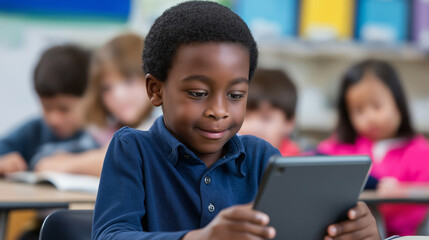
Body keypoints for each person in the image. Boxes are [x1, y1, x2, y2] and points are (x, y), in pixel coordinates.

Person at [92, 2, 381, 240]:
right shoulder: (133, 150)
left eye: (235, 95)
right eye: (198, 93)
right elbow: (110, 236)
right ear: (156, 90)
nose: (219, 110)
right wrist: (202, 238)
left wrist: (355, 233)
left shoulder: (262, 158)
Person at [318, 59, 429, 236]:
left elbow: (418, 207)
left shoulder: (420, 151)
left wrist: (397, 193)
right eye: (358, 111)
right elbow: (314, 162)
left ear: (398, 102)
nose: (369, 117)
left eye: (377, 106)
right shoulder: (341, 146)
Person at [0, 45, 100, 176]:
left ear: (91, 98)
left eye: (64, 109)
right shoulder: (33, 131)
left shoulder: (102, 135)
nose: (53, 119)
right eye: (46, 107)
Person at [85, 33, 160, 147]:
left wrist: (69, 163)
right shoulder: (104, 131)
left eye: (129, 82)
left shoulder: (168, 122)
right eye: (106, 88)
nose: (119, 96)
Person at [239, 68, 300, 156]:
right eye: (245, 116)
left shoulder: (299, 162)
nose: (253, 127)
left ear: (289, 122)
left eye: (266, 118)